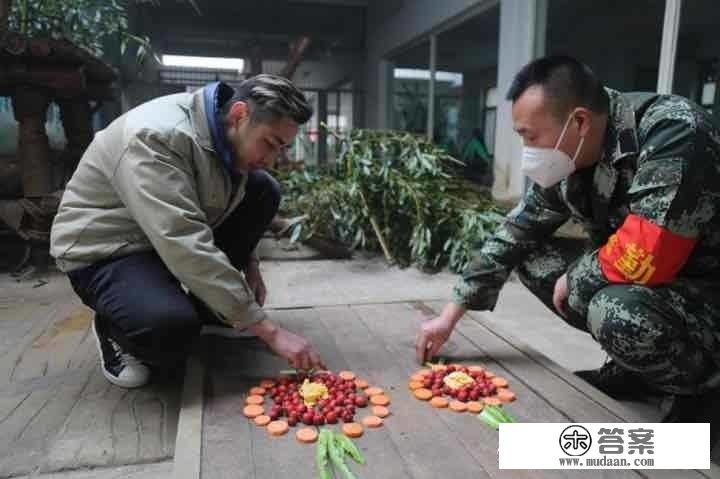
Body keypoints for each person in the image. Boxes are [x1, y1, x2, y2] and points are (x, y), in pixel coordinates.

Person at [416, 56, 720, 434]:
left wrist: (576, 277)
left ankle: (701, 392)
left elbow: (651, 251)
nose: (527, 149)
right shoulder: (574, 153)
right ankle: (636, 371)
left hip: (705, 289)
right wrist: (450, 315)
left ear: (578, 121)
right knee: (534, 258)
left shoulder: (674, 131)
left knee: (614, 310)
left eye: (530, 136)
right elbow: (516, 232)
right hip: (656, 286)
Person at [50, 74, 325, 388]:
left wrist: (250, 264)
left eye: (282, 148)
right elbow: (183, 240)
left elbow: (222, 208)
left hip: (161, 237)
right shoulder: (155, 137)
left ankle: (211, 307)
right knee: (171, 331)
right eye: (270, 144)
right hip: (108, 249)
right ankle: (115, 327)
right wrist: (270, 331)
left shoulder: (225, 133)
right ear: (239, 115)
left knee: (264, 189)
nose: (272, 159)